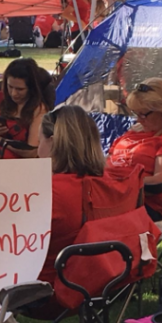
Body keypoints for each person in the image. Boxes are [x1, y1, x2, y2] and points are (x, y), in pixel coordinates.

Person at [35, 105, 107, 288]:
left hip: (48, 284)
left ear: (52, 142)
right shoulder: (110, 183)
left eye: (39, 141)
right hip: (102, 279)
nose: (37, 148)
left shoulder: (51, 191)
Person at [106, 78, 162, 221]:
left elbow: (160, 183)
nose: (138, 120)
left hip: (144, 207)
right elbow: (107, 161)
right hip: (110, 198)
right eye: (135, 113)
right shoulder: (136, 131)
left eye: (143, 114)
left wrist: (115, 185)